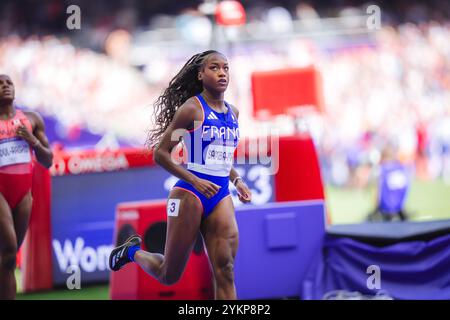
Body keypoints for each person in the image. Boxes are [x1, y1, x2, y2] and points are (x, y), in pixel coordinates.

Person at [109, 50, 252, 300]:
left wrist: (237, 180)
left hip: (220, 194)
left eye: (225, 68)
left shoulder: (234, 113)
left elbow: (220, 157)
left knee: (226, 270)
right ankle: (131, 253)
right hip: (190, 192)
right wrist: (194, 180)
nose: (222, 73)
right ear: (200, 74)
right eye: (214, 68)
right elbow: (161, 154)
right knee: (169, 275)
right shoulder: (191, 109)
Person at [0, 74, 53, 299]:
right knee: (9, 248)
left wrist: (32, 141)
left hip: (23, 193)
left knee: (8, 259)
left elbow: (48, 160)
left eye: (8, 82)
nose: (5, 87)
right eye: (0, 84)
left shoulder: (31, 119)